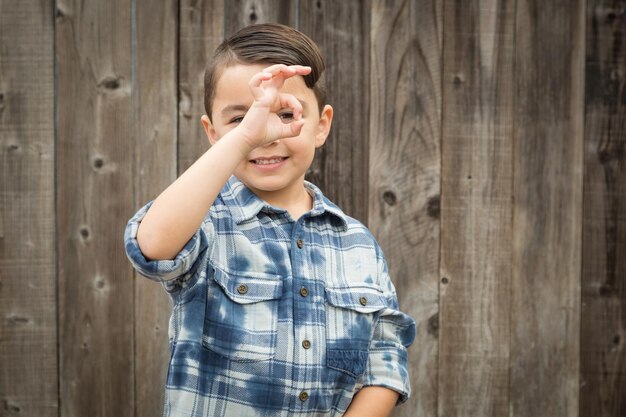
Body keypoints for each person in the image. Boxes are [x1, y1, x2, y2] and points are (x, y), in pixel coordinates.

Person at [124, 23, 415, 417]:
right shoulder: (206, 221)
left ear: (321, 125)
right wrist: (244, 138)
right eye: (241, 120)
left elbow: (385, 358)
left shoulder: (358, 243)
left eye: (285, 113)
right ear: (212, 133)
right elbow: (152, 248)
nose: (264, 133)